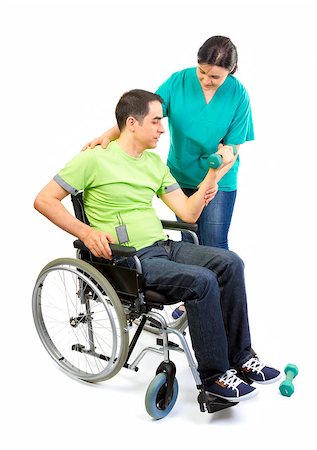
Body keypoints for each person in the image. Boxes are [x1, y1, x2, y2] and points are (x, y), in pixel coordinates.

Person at [34, 89, 280, 404]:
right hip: (126, 260)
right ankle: (215, 378)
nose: (163, 129)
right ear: (132, 123)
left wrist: (212, 175)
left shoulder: (153, 163)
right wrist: (86, 231)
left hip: (163, 247)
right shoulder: (93, 160)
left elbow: (188, 213)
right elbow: (44, 199)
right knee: (201, 281)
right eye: (156, 122)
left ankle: (242, 357)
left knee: (230, 262)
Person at [84, 35, 254, 319]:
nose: (206, 80)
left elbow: (235, 145)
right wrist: (107, 135)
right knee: (189, 239)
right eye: (202, 71)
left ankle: (219, 309)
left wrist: (223, 159)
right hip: (180, 172)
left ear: (231, 72)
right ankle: (194, 299)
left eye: (215, 76)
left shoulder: (238, 95)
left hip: (218, 177)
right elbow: (142, 114)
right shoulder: (179, 82)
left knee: (215, 244)